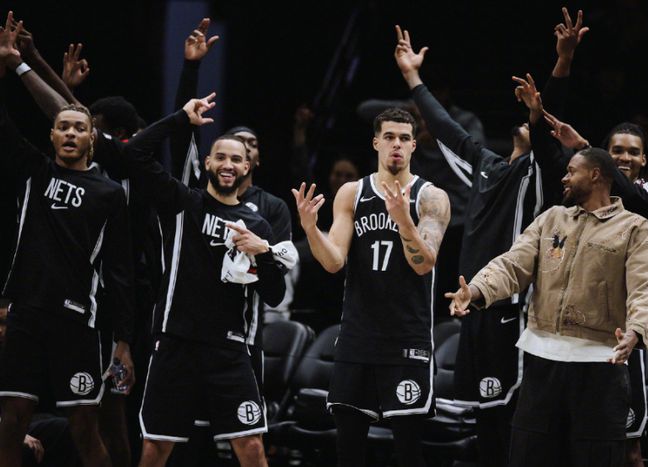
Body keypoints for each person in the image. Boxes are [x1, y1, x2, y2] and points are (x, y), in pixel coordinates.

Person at [392, 11, 587, 465]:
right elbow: (444, 126)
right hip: (474, 304)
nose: (530, 123)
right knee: (484, 421)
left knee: (513, 417)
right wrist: (412, 77)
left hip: (515, 309)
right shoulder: (486, 166)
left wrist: (562, 62)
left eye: (535, 124)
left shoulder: (544, 173)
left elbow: (550, 130)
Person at [446, 147, 648, 467]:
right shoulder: (551, 219)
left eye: (572, 171)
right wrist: (476, 290)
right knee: (530, 456)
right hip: (542, 361)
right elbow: (512, 264)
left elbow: (645, 287)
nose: (564, 178)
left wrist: (636, 330)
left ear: (595, 175)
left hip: (599, 364)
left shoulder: (633, 227)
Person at [120, 93, 285, 467]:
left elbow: (275, 295)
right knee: (155, 448)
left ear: (247, 168)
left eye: (236, 159)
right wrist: (179, 118)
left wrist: (263, 252)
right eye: (221, 157)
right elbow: (134, 153)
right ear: (207, 162)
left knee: (252, 447)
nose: (228, 164)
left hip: (229, 349)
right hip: (176, 343)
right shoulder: (182, 202)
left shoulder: (257, 224)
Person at [0, 13, 135, 467]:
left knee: (84, 428)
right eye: (63, 127)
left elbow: (120, 272)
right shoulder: (34, 172)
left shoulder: (110, 193)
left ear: (91, 139)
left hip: (78, 321)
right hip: (25, 314)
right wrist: (6, 65)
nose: (71, 133)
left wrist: (123, 341)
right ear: (52, 134)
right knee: (12, 421)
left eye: (80, 128)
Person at [293, 105, 450, 467]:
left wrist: (404, 222)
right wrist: (311, 229)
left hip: (407, 338)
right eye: (389, 137)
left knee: (408, 451)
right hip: (357, 337)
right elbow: (333, 261)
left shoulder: (431, 197)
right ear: (376, 142)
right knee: (348, 449)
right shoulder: (352, 193)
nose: (397, 144)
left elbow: (424, 263)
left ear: (414, 146)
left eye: (405, 138)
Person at [527, 106, 648, 467]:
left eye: (633, 152)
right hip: (582, 334)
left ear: (645, 159)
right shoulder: (578, 205)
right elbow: (552, 162)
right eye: (616, 151)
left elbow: (633, 200)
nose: (625, 157)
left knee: (629, 448)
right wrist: (537, 117)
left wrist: (587, 148)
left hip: (629, 325)